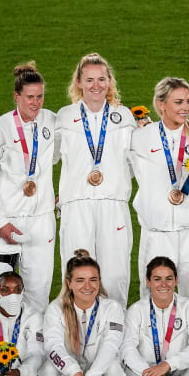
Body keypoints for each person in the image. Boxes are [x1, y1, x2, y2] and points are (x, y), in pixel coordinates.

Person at [0, 62, 57, 313]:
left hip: (41, 222)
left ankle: (32, 350)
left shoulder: (52, 122)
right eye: (30, 97)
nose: (36, 103)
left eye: (40, 96)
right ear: (16, 96)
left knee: (38, 294)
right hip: (6, 222)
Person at [54, 53, 135, 305]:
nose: (96, 85)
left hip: (113, 204)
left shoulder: (125, 116)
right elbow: (47, 159)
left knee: (115, 274)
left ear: (110, 81)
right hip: (76, 204)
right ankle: (76, 336)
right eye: (89, 80)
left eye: (101, 79)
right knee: (77, 273)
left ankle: (116, 335)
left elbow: (135, 164)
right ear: (78, 82)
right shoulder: (64, 116)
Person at [40, 250, 126, 376]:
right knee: (48, 371)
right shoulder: (55, 309)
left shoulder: (112, 307)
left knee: (115, 368)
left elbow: (111, 346)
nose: (87, 286)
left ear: (99, 281)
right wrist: (74, 372)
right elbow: (52, 347)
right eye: (80, 280)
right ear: (69, 283)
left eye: (93, 280)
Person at [129, 77, 189, 300]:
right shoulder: (140, 138)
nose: (185, 108)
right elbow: (123, 172)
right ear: (161, 104)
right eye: (178, 102)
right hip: (157, 233)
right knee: (152, 297)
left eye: (188, 101)